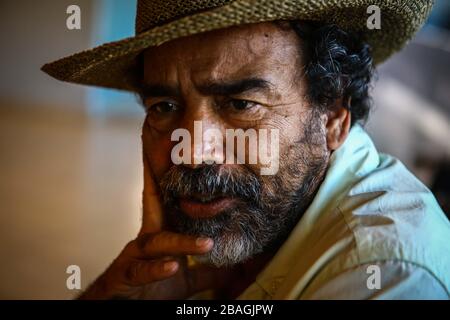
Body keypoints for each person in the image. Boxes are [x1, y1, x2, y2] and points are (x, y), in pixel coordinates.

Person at [42, 0, 450, 299]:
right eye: (164, 107)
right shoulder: (226, 224)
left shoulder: (386, 274)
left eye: (240, 105)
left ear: (333, 118)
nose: (193, 153)